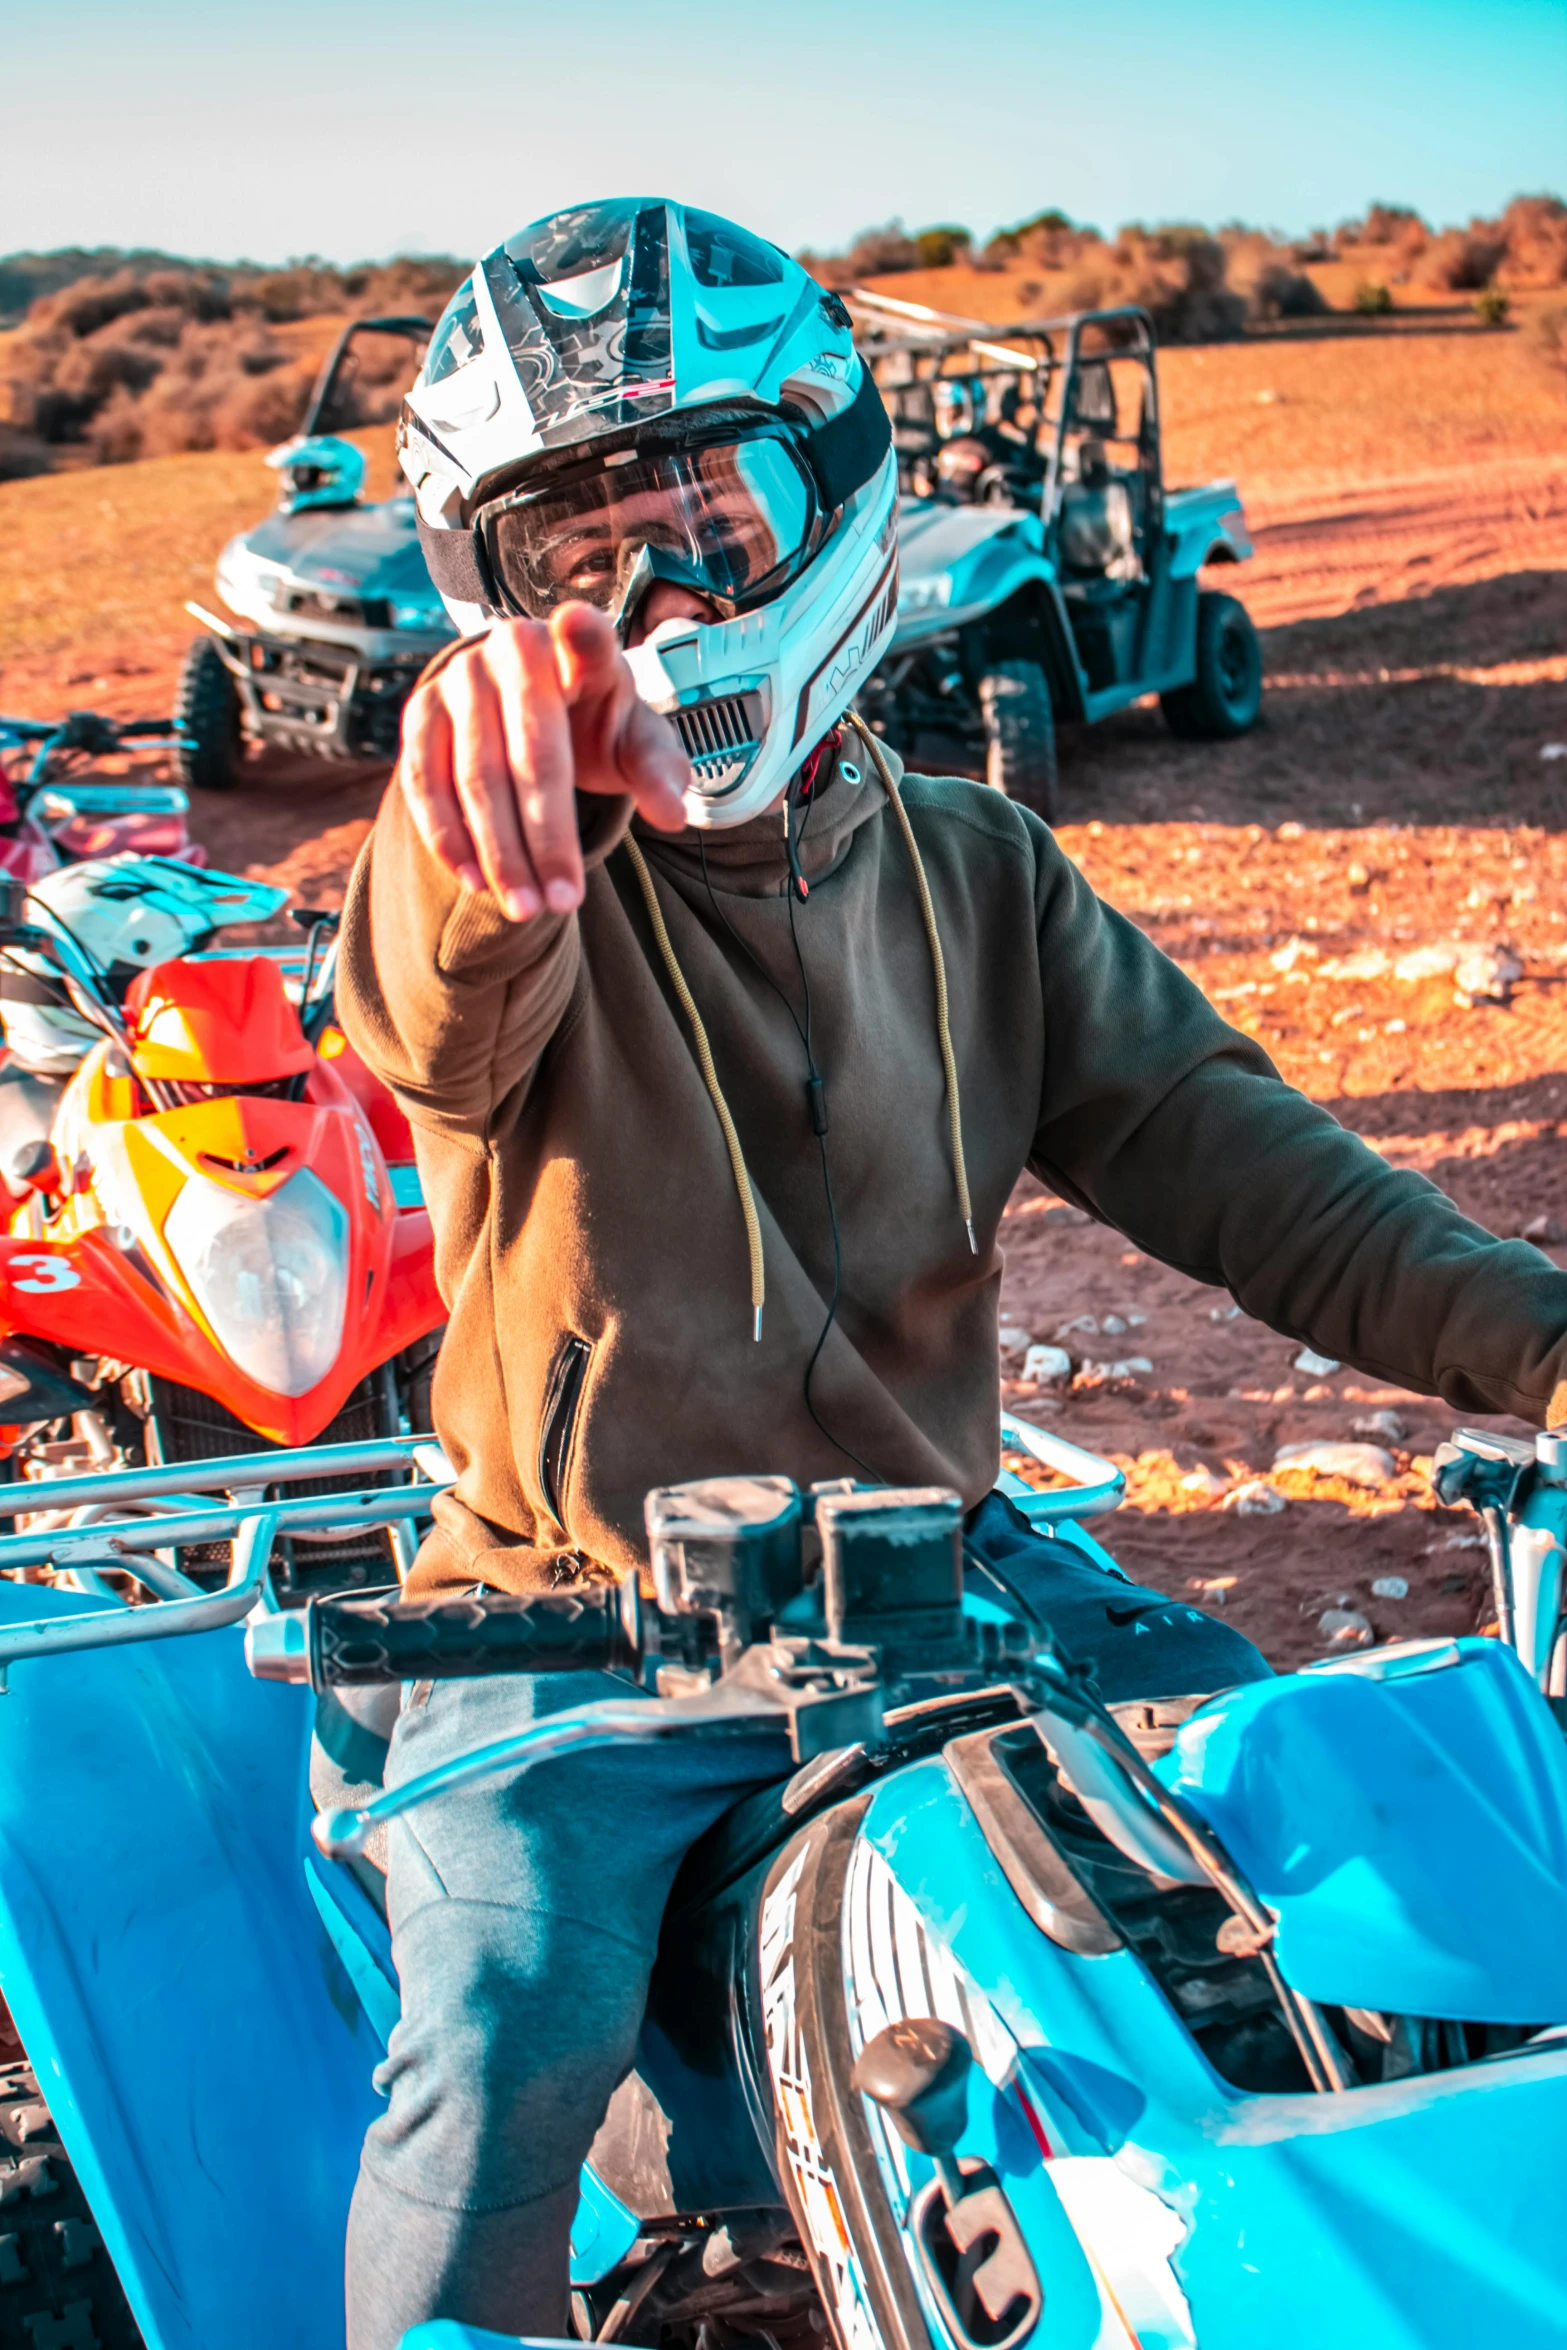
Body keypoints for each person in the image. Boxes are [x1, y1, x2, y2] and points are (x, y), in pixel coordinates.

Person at [337, 197, 1567, 2349]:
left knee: (1325, 1841)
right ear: (490, 601)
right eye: (576, 550)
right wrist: (461, 830)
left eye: (704, 503)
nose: (655, 592)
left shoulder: (977, 866)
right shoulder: (525, 878)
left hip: (943, 1568)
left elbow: (1252, 1173)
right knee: (503, 2020)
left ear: (827, 475)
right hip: (566, 1617)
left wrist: (1546, 1353)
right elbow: (429, 1010)